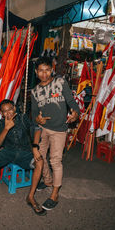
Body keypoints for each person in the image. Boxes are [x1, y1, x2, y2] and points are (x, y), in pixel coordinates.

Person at [31, 56, 80, 211]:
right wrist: (37, 118)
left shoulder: (60, 83)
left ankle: (55, 194)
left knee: (55, 161)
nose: (44, 74)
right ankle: (47, 180)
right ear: (36, 72)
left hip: (59, 129)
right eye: (41, 71)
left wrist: (76, 112)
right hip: (43, 129)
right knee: (39, 156)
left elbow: (71, 102)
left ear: (51, 70)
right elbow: (33, 115)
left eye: (47, 70)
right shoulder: (34, 92)